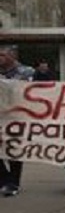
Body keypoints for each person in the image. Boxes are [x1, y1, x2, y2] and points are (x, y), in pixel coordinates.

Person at [0, 45, 34, 197]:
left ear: (13, 56)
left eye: (2, 55)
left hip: (17, 117)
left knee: (14, 150)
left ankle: (13, 183)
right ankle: (5, 179)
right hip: (1, 116)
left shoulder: (26, 72)